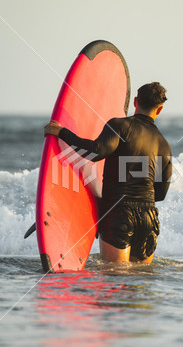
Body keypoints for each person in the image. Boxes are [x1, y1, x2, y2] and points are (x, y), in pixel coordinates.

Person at [44, 82, 172, 264]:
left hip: (119, 212)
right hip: (149, 217)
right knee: (141, 280)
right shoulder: (163, 144)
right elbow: (160, 193)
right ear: (159, 110)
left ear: (136, 101)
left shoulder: (120, 126)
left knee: (116, 277)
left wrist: (61, 132)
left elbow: (95, 152)